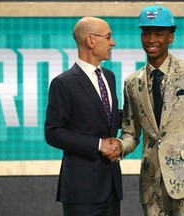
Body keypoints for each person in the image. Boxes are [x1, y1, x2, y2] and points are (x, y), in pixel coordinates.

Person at [117, 5, 184, 216]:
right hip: (150, 184)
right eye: (146, 33)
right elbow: (131, 133)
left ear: (170, 38)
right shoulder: (131, 82)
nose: (151, 39)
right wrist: (115, 148)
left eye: (158, 34)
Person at [44, 16, 122, 216]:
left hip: (112, 188)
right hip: (81, 192)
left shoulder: (110, 77)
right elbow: (54, 133)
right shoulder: (63, 83)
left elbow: (106, 118)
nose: (112, 42)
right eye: (108, 37)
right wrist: (98, 144)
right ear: (90, 40)